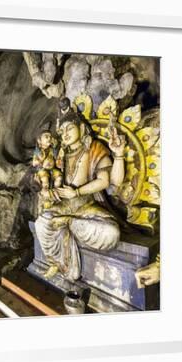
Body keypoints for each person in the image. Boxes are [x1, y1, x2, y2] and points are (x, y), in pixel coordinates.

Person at [35, 101, 126, 281]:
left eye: (69, 128)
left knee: (112, 233)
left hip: (86, 207)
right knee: (41, 222)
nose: (65, 134)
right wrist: (48, 191)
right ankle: (59, 262)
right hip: (64, 206)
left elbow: (110, 180)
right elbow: (51, 180)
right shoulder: (60, 154)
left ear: (81, 128)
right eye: (61, 132)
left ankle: (67, 223)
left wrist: (119, 154)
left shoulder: (94, 148)